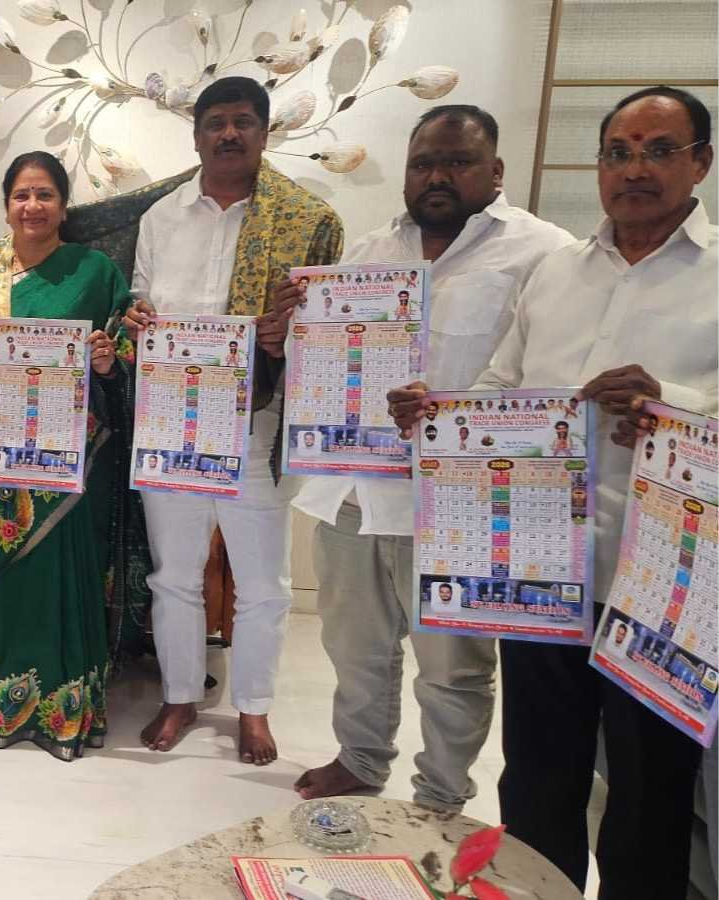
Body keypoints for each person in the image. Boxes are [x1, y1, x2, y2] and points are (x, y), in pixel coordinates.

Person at [389, 86, 717, 898]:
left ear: (701, 163)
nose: (634, 169)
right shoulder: (556, 271)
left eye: (659, 150)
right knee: (538, 774)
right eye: (618, 152)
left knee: (649, 790)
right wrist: (439, 414)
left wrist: (674, 404)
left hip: (663, 588)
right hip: (540, 572)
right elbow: (503, 385)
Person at [291, 105, 575, 810]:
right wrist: (288, 328)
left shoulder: (544, 252)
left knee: (453, 667)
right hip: (354, 491)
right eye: (423, 164)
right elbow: (322, 359)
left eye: (457, 162)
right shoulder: (367, 253)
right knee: (353, 646)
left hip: (460, 502)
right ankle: (361, 759)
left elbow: (548, 377)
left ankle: (441, 795)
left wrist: (453, 415)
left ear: (495, 170)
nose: (437, 176)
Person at [121, 77, 343, 763]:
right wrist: (136, 319)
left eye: (243, 121)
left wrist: (287, 335)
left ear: (264, 133)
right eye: (215, 122)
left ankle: (253, 708)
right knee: (174, 575)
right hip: (172, 422)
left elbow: (332, 330)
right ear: (196, 136)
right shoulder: (161, 218)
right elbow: (138, 301)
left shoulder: (307, 220)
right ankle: (180, 696)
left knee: (264, 582)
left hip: (256, 421)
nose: (228, 134)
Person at [0, 151, 145, 760]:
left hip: (74, 459)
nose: (32, 206)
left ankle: (67, 712)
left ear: (63, 204)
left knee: (70, 577)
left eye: (45, 195)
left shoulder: (95, 271)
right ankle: (3, 707)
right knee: (6, 581)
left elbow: (125, 350)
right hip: (0, 456)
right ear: (6, 205)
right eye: (21, 195)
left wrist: (108, 361)